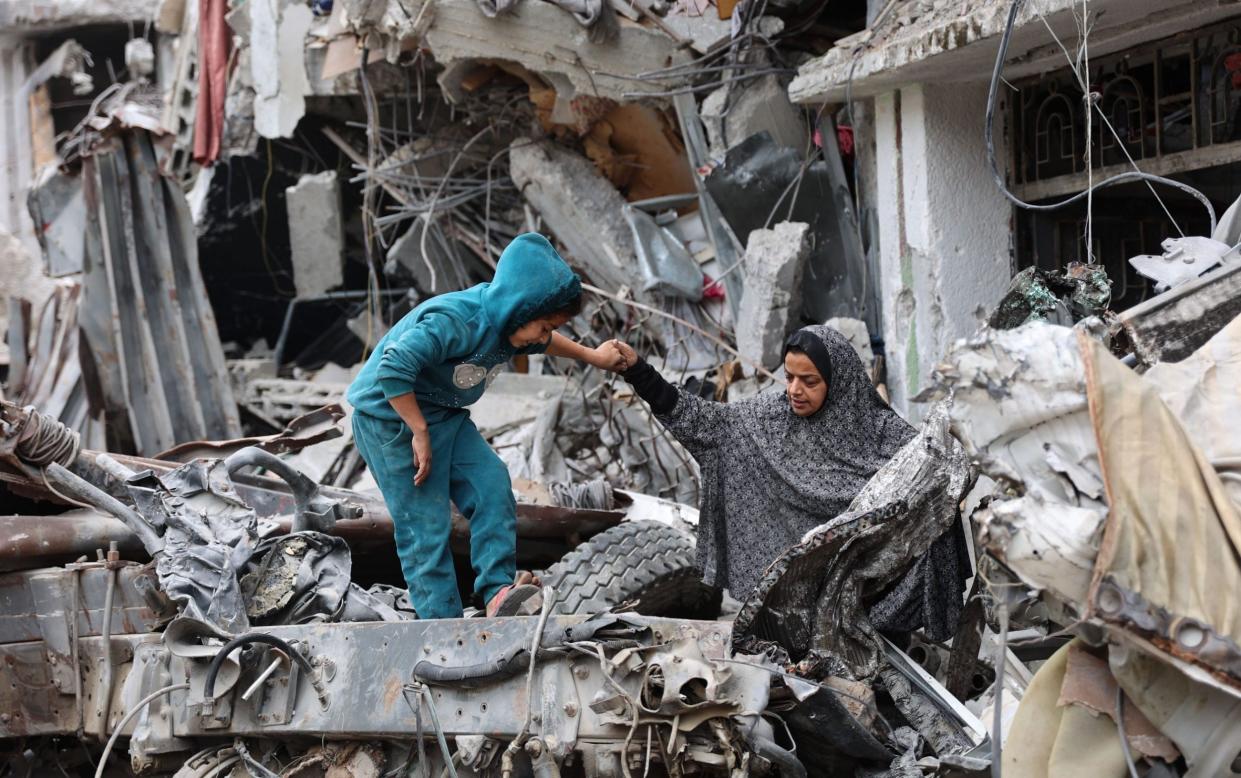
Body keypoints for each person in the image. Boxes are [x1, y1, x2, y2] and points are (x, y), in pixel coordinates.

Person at [610, 325, 968, 637]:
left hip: (875, 620)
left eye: (809, 381)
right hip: (795, 622)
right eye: (789, 377)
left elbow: (935, 492)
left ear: (838, 380)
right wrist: (641, 374)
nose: (795, 389)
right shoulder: (770, 422)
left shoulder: (885, 437)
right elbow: (704, 422)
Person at [347, 233, 626, 619]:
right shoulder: (458, 321)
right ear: (518, 308)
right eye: (544, 326)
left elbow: (544, 343)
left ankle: (497, 593)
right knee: (425, 527)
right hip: (391, 419)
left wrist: (592, 356)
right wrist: (419, 431)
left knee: (492, 483)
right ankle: (441, 630)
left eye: (549, 328)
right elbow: (393, 368)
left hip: (441, 413)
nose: (544, 336)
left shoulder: (515, 325)